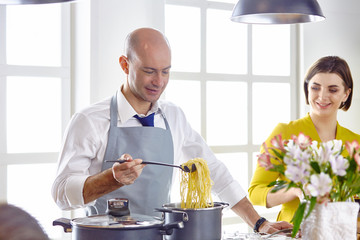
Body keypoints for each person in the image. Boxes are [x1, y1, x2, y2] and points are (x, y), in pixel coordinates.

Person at [52, 27, 291, 233]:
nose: (159, 81)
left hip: (160, 235)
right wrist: (111, 179)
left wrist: (258, 222)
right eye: (149, 71)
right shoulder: (89, 119)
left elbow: (213, 172)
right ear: (125, 65)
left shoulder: (173, 116)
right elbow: (61, 193)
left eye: (165, 71)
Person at [248, 56, 360, 223]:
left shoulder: (355, 142)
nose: (322, 96)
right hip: (294, 233)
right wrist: (295, 191)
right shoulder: (285, 132)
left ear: (346, 94)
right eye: (315, 87)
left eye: (333, 89)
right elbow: (255, 193)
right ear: (307, 88)